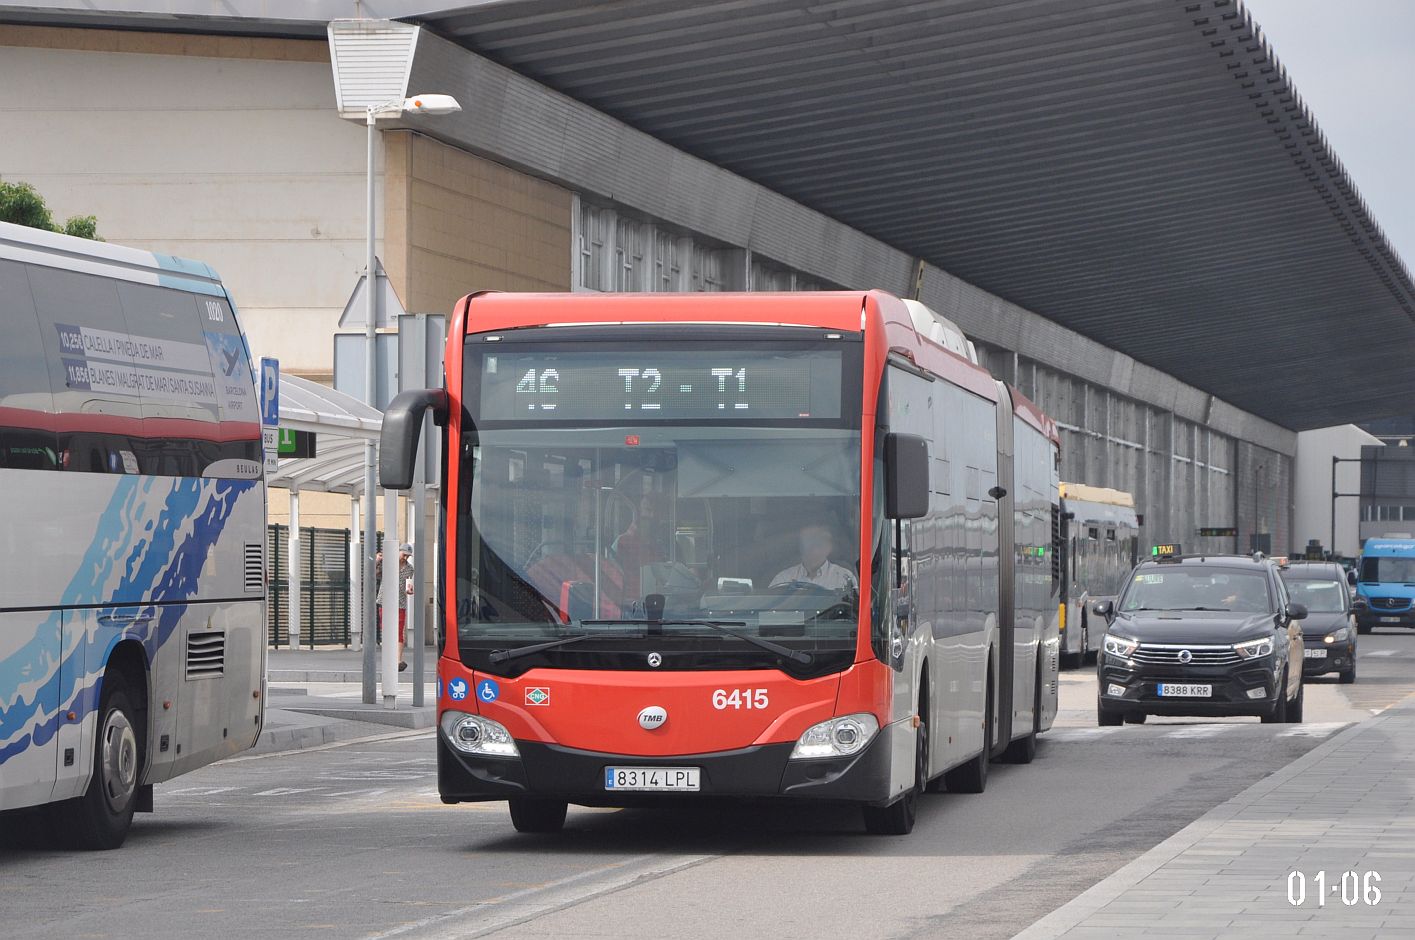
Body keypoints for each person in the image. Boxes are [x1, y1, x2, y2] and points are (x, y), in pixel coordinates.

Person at [770, 523, 857, 592]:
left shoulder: (844, 578)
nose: (814, 547)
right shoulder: (783, 579)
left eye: (819, 541)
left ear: (830, 546)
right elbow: (769, 611)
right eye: (809, 541)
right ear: (800, 546)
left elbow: (854, 610)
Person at [376, 543, 414, 671]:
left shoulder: (409, 568)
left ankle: (398, 660)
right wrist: (377, 561)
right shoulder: (387, 563)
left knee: (399, 631)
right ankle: (388, 658)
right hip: (385, 601)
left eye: (408, 556)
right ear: (399, 552)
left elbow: (409, 584)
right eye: (404, 555)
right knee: (386, 630)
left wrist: (409, 589)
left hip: (400, 602)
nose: (406, 558)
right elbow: (375, 573)